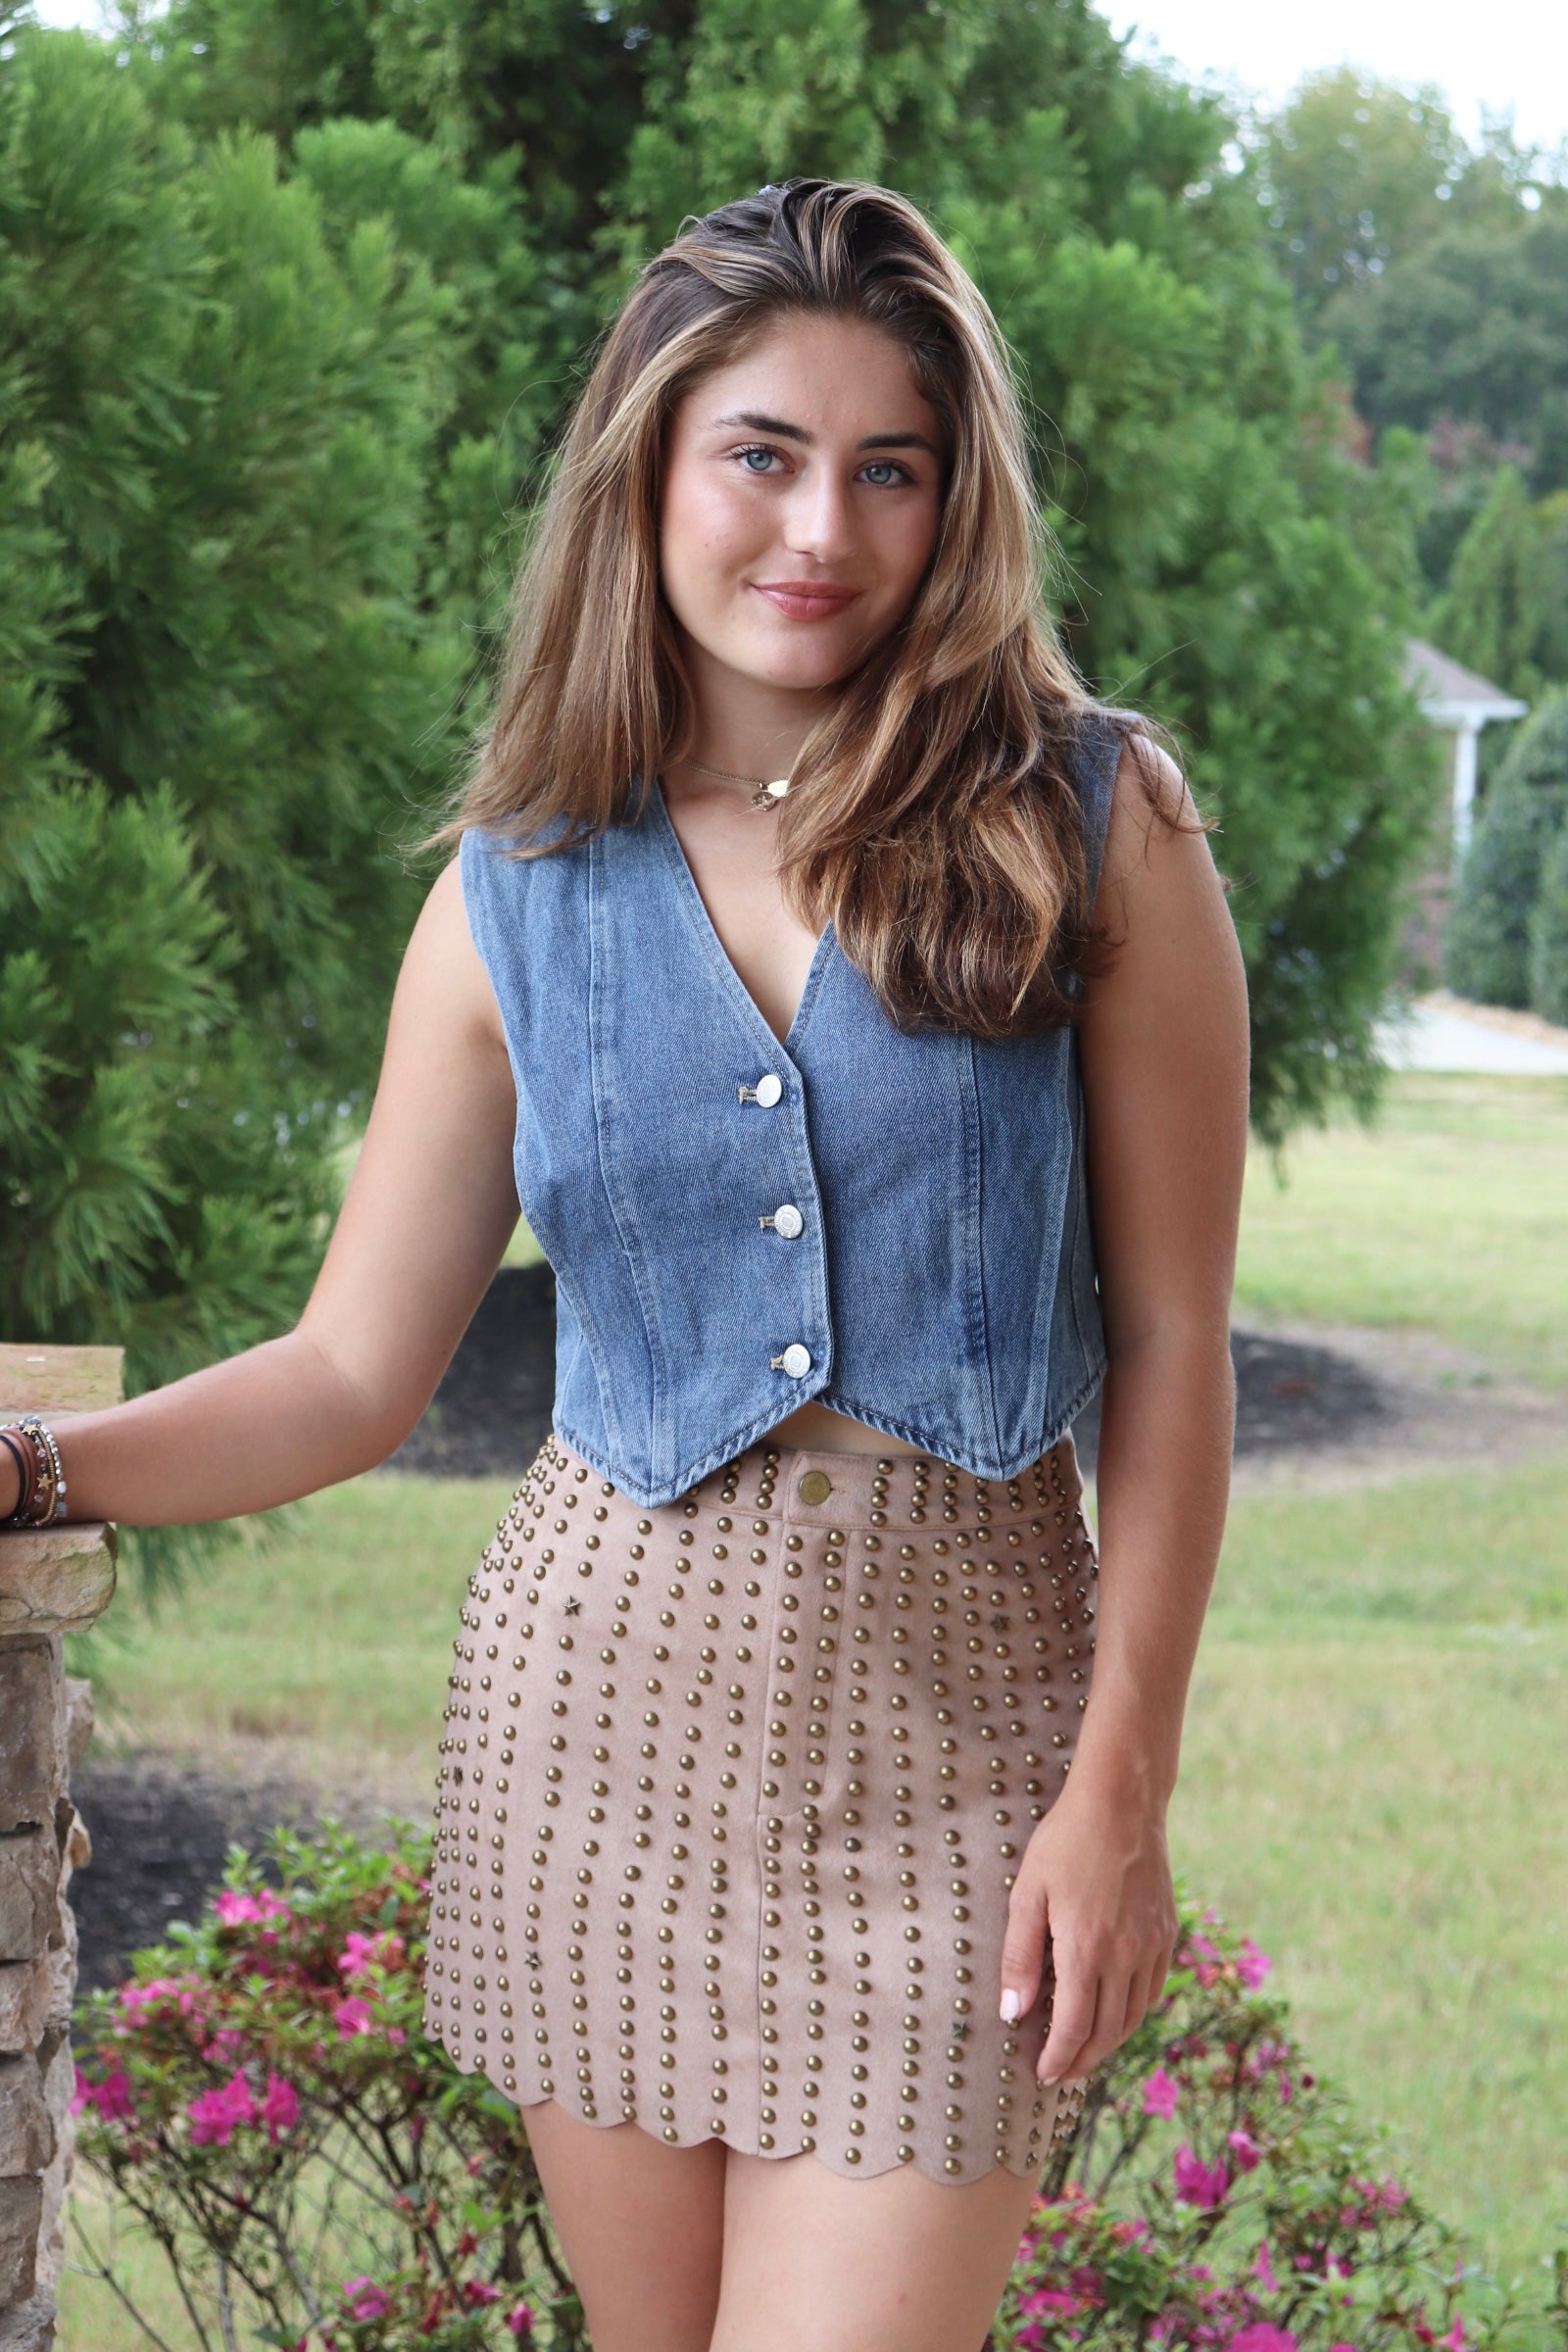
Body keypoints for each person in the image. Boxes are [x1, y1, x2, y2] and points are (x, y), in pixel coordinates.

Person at [1, 180, 1250, 2352]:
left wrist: (1114, 1793)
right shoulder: (513, 886)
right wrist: (33, 1465)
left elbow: (1166, 1343)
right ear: (650, 472)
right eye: (759, 455)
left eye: (891, 470)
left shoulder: (1090, 819)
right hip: (593, 1756)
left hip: (958, 1769)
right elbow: (345, 1370)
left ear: (955, 509)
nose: (822, 530)